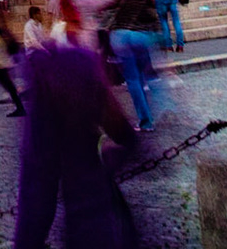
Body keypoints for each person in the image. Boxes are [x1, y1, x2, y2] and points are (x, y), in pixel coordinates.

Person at [12, 20, 140, 249]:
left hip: (52, 170)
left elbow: (36, 188)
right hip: (91, 192)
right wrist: (111, 159)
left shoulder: (42, 77)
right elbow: (123, 133)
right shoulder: (84, 67)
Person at [106, 0, 163, 130]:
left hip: (121, 36)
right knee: (144, 75)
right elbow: (152, 13)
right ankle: (155, 112)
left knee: (132, 80)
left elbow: (108, 14)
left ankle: (145, 121)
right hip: (140, 36)